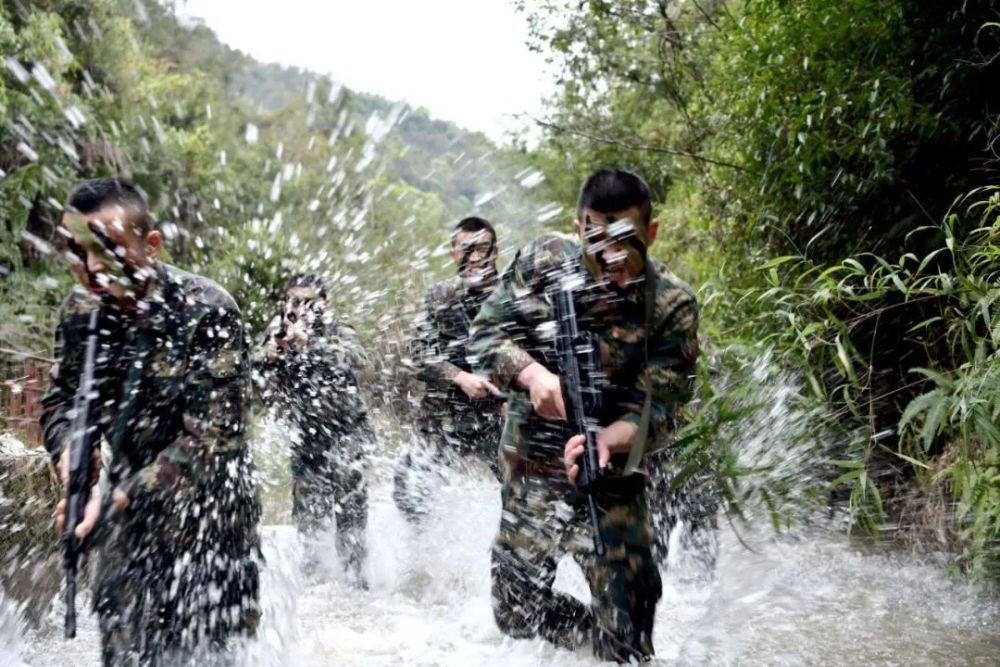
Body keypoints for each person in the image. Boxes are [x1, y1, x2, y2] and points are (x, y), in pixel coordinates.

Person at [469, 168, 699, 662]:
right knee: (514, 612)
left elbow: (664, 405)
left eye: (626, 240)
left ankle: (611, 648)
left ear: (651, 233)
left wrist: (612, 439)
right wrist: (533, 375)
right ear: (578, 228)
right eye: (597, 240)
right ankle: (587, 644)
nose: (611, 256)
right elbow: (484, 335)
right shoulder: (542, 262)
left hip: (615, 478)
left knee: (631, 641)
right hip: (533, 470)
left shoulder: (670, 304)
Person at [41, 177, 260, 665]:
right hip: (125, 530)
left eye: (109, 248)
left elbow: (216, 438)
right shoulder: (80, 312)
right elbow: (61, 400)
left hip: (212, 527)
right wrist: (71, 455)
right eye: (79, 252)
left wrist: (119, 497)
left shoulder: (207, 309)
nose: (93, 268)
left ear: (151, 243)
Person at [253, 274, 370, 586]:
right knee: (308, 515)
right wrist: (270, 355)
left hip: (347, 433)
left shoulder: (336, 330)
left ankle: (356, 579)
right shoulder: (277, 332)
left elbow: (356, 358)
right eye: (294, 301)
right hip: (306, 437)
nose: (301, 308)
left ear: (324, 305)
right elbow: (250, 369)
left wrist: (308, 343)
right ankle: (316, 584)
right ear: (285, 303)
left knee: (350, 509)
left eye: (308, 302)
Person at [392, 217, 506, 521]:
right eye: (466, 249)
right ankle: (426, 557)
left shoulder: (512, 295)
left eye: (483, 249)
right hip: (445, 417)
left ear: (495, 252)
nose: (476, 258)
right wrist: (458, 377)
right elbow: (418, 352)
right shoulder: (440, 296)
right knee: (409, 489)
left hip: (499, 417)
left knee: (526, 495)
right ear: (453, 253)